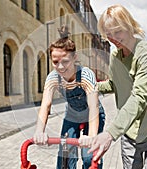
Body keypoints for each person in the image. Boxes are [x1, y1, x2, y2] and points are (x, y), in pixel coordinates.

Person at [88, 4, 147, 169]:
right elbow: (115, 84)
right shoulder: (115, 56)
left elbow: (139, 96)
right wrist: (92, 87)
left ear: (129, 26)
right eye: (108, 34)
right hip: (129, 132)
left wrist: (110, 134)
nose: (113, 38)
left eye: (117, 31)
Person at [33, 25, 105, 169]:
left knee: (89, 157)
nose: (60, 67)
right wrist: (39, 131)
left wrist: (90, 137)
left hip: (93, 116)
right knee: (65, 157)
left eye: (65, 61)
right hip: (72, 116)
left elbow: (93, 107)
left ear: (74, 58)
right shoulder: (53, 78)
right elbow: (45, 105)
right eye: (55, 62)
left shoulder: (85, 75)